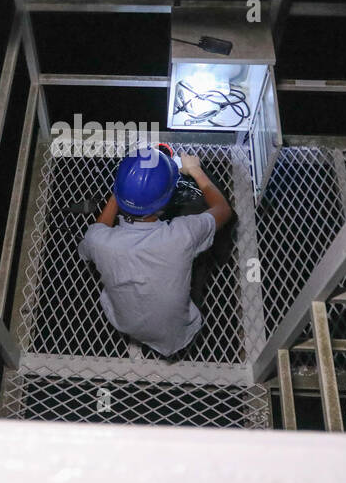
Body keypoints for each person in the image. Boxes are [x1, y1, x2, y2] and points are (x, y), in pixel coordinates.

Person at [78, 146, 235, 358]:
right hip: (176, 334)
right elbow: (224, 210)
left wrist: (122, 193)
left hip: (124, 322)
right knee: (200, 254)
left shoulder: (97, 241)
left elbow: (98, 231)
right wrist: (195, 170)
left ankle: (137, 338)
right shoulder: (182, 235)